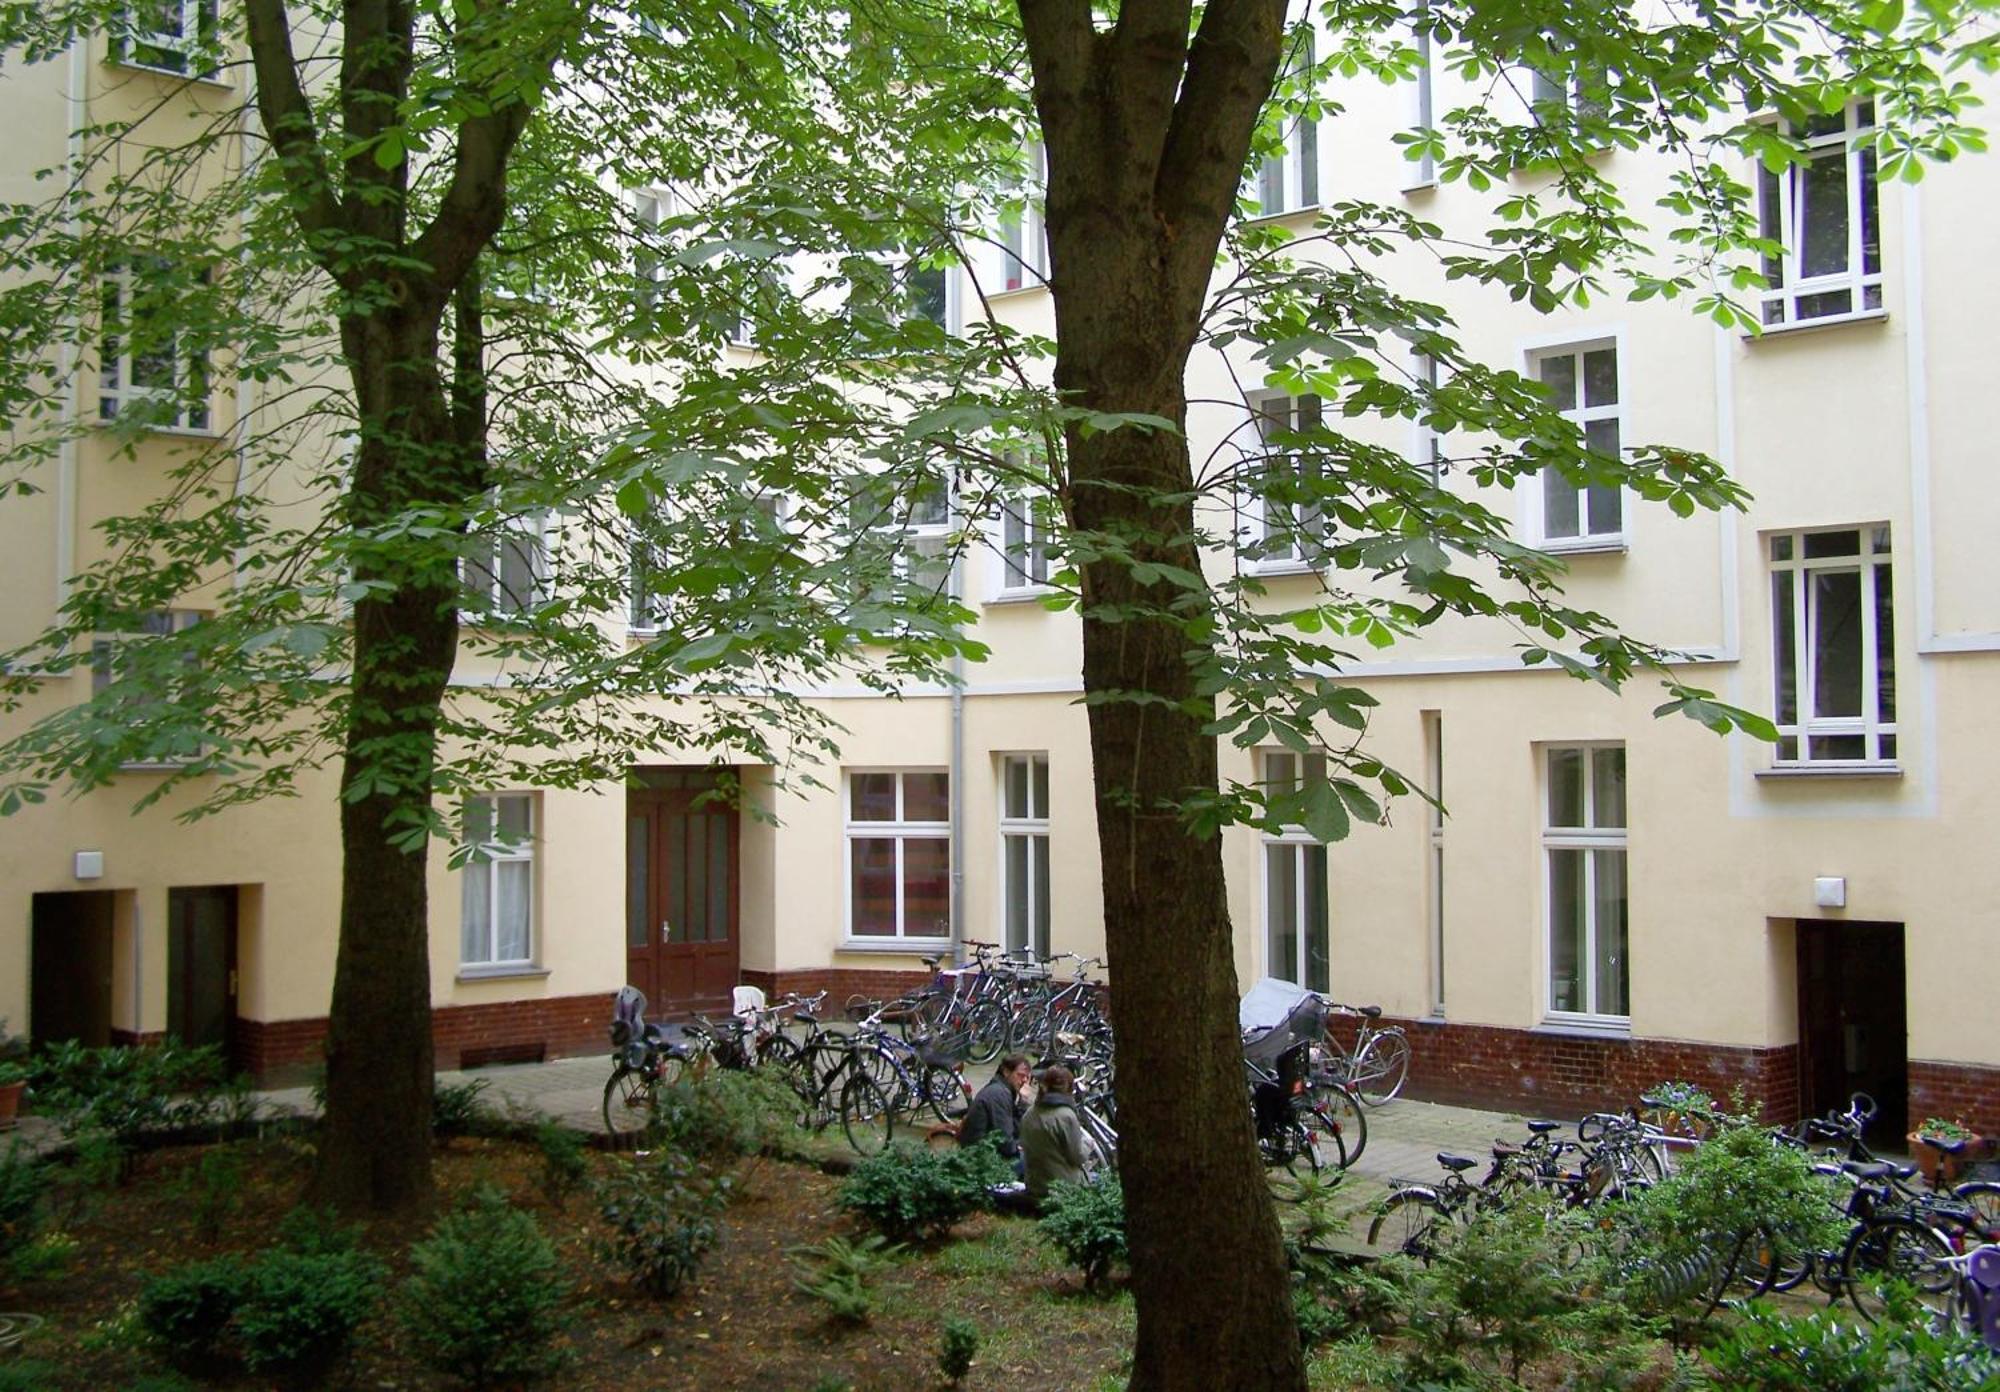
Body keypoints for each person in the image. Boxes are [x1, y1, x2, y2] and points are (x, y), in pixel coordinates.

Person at [1020, 1063, 1089, 1205]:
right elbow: (1078, 1156)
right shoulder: (1066, 1116)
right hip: (1062, 1189)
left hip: (1035, 1186)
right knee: (1099, 1180)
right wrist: (1089, 1144)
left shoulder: (1029, 1114)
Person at [960, 1055, 1029, 1174]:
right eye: (1020, 1075)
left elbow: (1014, 1131)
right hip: (982, 1158)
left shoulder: (1004, 1090)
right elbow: (1005, 1142)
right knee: (1036, 1162)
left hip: (988, 1151)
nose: (1024, 1081)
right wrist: (1019, 1148)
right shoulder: (999, 1094)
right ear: (1006, 1072)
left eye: (1027, 1077)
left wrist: (1023, 1102)